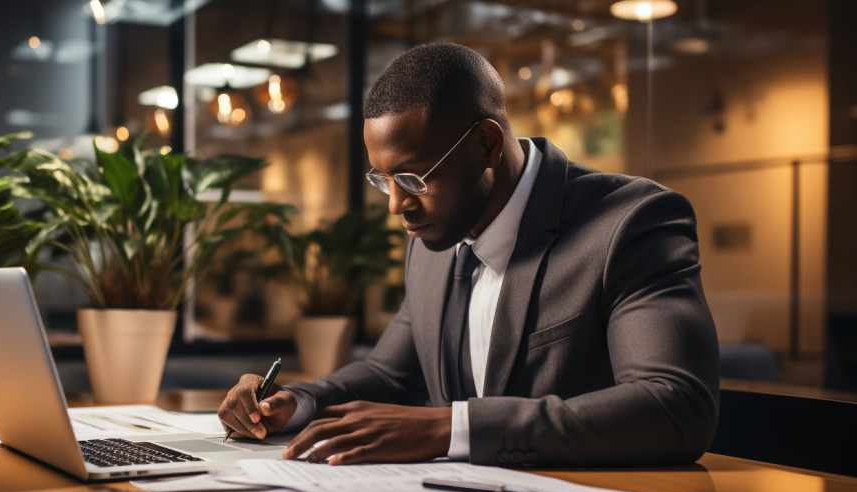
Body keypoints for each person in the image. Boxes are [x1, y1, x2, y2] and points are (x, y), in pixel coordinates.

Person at [218, 41, 719, 468]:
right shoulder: (434, 239)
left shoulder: (631, 221)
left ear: (485, 144)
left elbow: (674, 406)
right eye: (384, 180)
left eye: (413, 177)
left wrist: (448, 430)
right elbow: (390, 374)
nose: (396, 205)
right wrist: (298, 402)